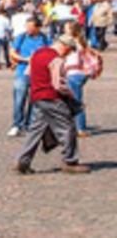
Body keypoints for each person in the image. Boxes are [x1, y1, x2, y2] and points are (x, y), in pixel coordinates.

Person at [15, 34, 87, 175]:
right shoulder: (56, 59)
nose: (68, 54)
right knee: (67, 128)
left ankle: (23, 161)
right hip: (51, 98)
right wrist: (70, 95)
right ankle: (70, 161)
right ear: (65, 47)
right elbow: (57, 84)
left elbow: (28, 73)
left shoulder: (37, 53)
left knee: (35, 131)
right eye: (70, 51)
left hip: (37, 97)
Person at [10, 12, 49, 136]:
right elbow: (12, 52)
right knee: (19, 99)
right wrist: (24, 59)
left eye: (30, 27)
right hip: (22, 71)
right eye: (27, 27)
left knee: (35, 100)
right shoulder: (21, 37)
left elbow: (50, 52)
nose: (28, 29)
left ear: (38, 27)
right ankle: (17, 124)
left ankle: (29, 124)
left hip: (38, 73)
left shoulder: (44, 39)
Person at [61, 23, 101, 134]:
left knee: (75, 101)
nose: (64, 31)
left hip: (73, 73)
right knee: (74, 100)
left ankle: (80, 128)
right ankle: (77, 126)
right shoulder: (83, 42)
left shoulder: (72, 42)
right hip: (81, 73)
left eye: (66, 29)